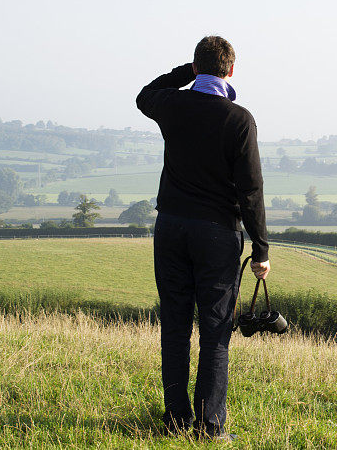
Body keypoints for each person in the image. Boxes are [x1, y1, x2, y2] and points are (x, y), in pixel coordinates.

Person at [136, 35, 270, 441]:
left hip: (172, 227)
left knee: (175, 324)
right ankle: (210, 427)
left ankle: (176, 421)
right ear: (231, 70)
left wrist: (187, 73)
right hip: (217, 234)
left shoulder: (173, 106)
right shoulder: (239, 119)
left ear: (194, 69)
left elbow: (145, 95)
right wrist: (261, 248)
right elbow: (250, 189)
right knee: (214, 331)